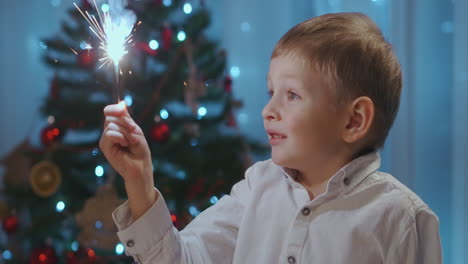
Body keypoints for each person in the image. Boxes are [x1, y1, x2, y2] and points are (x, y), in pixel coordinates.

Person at [100, 12, 442, 264]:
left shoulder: (401, 219)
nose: (268, 110)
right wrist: (140, 181)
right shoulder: (256, 189)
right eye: (271, 91)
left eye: (291, 95)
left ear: (354, 120)